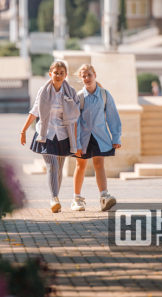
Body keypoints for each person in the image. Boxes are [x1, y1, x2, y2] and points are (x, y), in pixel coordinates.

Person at [20, 61, 80, 213]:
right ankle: (54, 198)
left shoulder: (71, 92)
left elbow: (74, 118)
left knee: (59, 169)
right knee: (52, 165)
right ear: (50, 74)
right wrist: (23, 130)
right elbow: (35, 111)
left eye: (61, 73)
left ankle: (56, 198)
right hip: (46, 133)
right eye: (56, 73)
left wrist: (76, 141)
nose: (58, 75)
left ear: (65, 75)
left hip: (63, 135)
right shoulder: (43, 91)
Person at [71, 64, 121, 212]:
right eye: (84, 76)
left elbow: (113, 117)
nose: (87, 78)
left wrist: (116, 137)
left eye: (89, 75)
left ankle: (104, 197)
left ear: (95, 75)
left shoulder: (105, 95)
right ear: (81, 79)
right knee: (80, 166)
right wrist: (76, 143)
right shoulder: (79, 97)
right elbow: (74, 122)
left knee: (99, 165)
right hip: (83, 138)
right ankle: (76, 199)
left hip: (100, 137)